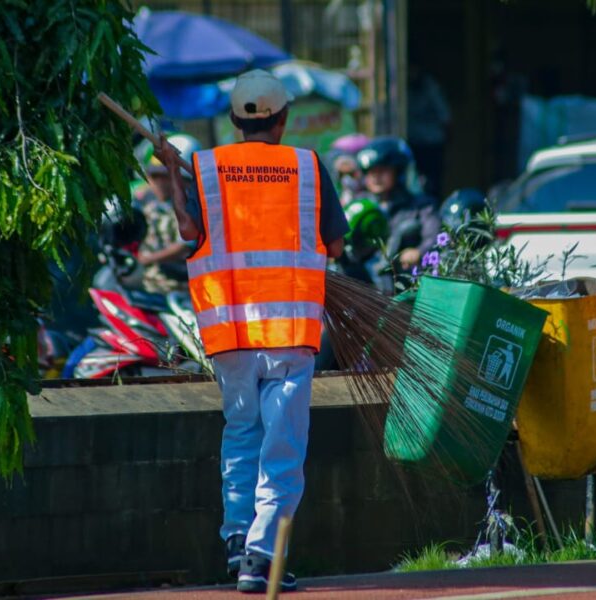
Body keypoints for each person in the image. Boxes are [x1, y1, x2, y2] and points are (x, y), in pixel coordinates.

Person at [155, 69, 348, 594]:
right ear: (283, 118)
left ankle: (238, 541)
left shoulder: (204, 169)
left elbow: (189, 232)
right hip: (288, 333)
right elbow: (333, 247)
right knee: (282, 447)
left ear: (236, 120)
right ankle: (261, 560)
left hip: (230, 333)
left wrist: (177, 178)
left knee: (243, 437)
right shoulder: (306, 167)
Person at [356, 136, 441, 277]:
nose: (376, 177)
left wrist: (419, 252)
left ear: (398, 172)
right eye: (371, 172)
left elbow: (434, 237)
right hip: (365, 281)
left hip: (404, 280)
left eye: (382, 170)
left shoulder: (422, 206)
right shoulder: (360, 206)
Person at [134, 134, 202, 293]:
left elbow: (185, 244)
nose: (158, 183)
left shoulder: (194, 208)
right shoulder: (145, 203)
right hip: (152, 286)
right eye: (154, 176)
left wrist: (147, 259)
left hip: (185, 288)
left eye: (165, 177)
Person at [407, 57, 451, 197]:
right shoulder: (402, 88)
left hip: (432, 144)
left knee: (433, 183)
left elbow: (446, 118)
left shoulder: (430, 86)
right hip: (413, 144)